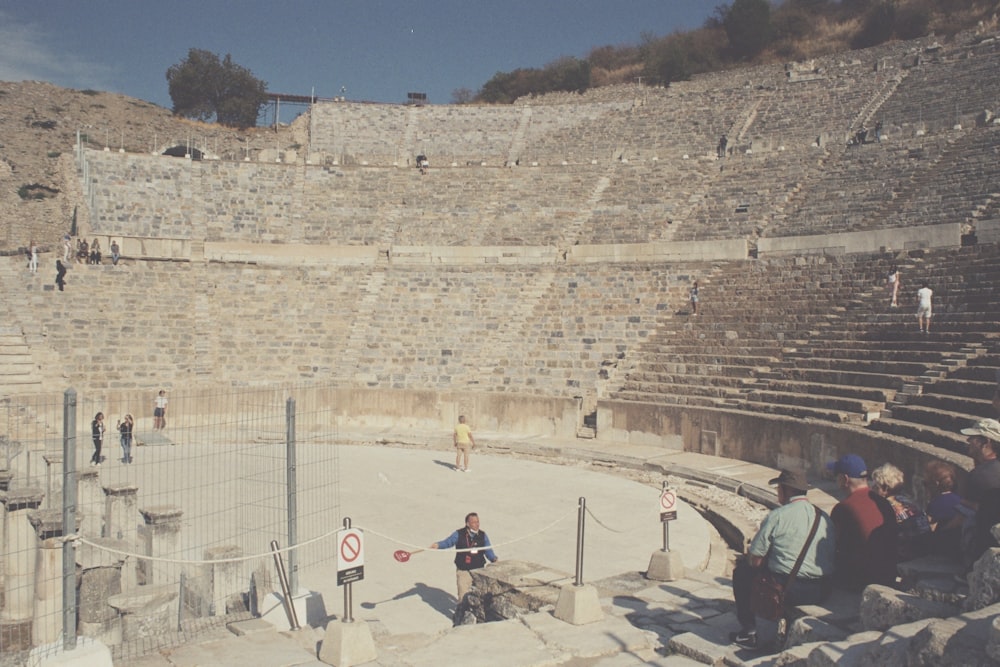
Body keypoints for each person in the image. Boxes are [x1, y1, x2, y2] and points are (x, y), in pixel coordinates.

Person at [729, 468, 835, 650]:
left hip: (788, 589)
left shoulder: (778, 516)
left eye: (779, 488)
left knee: (743, 572)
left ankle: (750, 632)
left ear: (786, 490)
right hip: (821, 589)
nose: (777, 492)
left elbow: (755, 559)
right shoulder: (824, 517)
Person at [827, 454, 898, 590]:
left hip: (860, 580)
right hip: (888, 575)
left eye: (837, 476)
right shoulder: (884, 503)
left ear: (845, 479)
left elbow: (832, 544)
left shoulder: (844, 508)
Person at [429, 512, 498, 603]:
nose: (477, 524)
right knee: (463, 596)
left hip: (479, 570)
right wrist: (438, 545)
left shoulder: (482, 535)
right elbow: (448, 542)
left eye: (478, 522)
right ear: (467, 524)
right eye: (473, 522)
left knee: (480, 596)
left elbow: (487, 549)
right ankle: (461, 614)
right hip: (463, 570)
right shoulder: (459, 534)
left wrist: (494, 559)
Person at [958, 419, 1000, 567]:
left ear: (986, 442)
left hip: (981, 547)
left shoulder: (980, 476)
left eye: (974, 438)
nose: (968, 440)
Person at [870, 463, 932, 561]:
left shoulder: (886, 506)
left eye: (875, 486)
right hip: (924, 550)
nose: (871, 489)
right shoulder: (909, 500)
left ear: (885, 489)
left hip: (904, 554)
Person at [922, 460, 963, 559]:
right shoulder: (960, 500)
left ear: (936, 484)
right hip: (959, 548)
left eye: (925, 483)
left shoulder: (936, 504)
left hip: (943, 549)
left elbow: (928, 528)